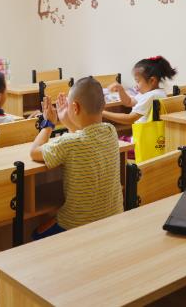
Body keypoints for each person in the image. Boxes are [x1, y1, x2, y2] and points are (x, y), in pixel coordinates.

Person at [30, 77, 123, 239]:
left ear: (75, 107)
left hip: (77, 225)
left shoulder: (69, 143)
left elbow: (34, 152)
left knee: (35, 234)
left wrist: (49, 124)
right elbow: (84, 139)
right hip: (113, 218)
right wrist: (69, 123)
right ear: (103, 105)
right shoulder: (111, 131)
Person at [102, 56, 177, 127]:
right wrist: (120, 89)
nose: (136, 85)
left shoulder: (152, 96)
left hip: (146, 134)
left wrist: (102, 112)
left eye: (138, 81)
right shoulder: (152, 93)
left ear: (152, 80)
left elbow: (130, 119)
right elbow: (128, 102)